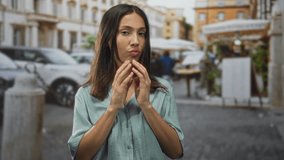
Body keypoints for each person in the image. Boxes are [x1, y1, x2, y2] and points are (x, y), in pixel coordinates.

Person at [67, 4, 184, 160]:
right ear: (108, 39)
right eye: (125, 32)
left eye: (141, 33)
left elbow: (175, 152)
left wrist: (146, 105)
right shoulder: (85, 94)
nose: (136, 41)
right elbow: (80, 156)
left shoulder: (163, 89)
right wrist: (112, 108)